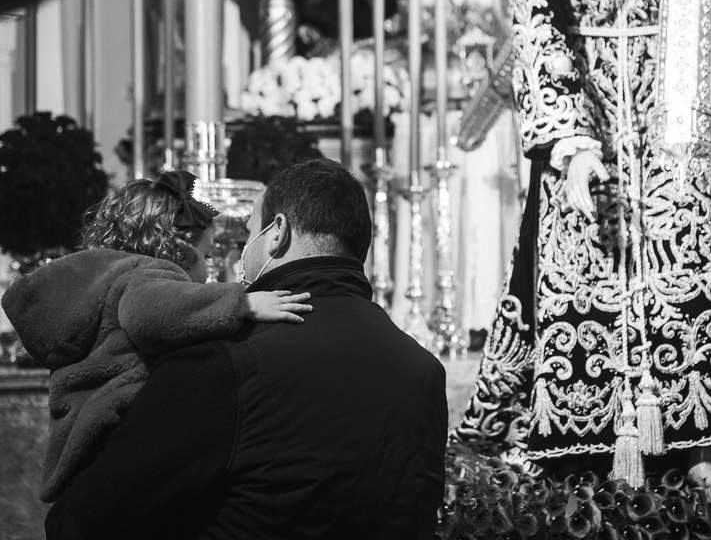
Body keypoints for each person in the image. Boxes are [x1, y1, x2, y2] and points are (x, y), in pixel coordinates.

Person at [456, 0, 711, 488]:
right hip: (587, 91)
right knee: (590, 260)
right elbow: (533, 10)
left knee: (694, 255)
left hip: (680, 77)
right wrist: (569, 135)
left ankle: (703, 446)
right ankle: (586, 451)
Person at [45, 158, 449, 540]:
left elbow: (84, 523)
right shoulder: (424, 370)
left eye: (247, 231)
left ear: (276, 232)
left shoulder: (225, 359)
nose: (239, 252)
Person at [2, 171, 312, 503]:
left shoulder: (111, 276)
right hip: (116, 432)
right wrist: (242, 303)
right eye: (206, 256)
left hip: (89, 441)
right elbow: (146, 313)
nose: (208, 269)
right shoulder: (149, 276)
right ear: (177, 246)